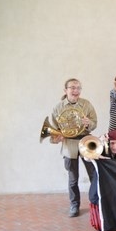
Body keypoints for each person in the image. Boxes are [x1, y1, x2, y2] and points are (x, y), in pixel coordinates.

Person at [50, 78, 97, 217]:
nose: (75, 90)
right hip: (68, 144)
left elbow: (95, 123)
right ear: (65, 90)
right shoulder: (58, 108)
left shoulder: (86, 104)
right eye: (72, 88)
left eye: (78, 88)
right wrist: (57, 137)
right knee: (73, 179)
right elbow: (53, 130)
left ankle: (96, 202)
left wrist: (88, 123)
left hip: (85, 142)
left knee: (94, 175)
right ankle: (74, 205)